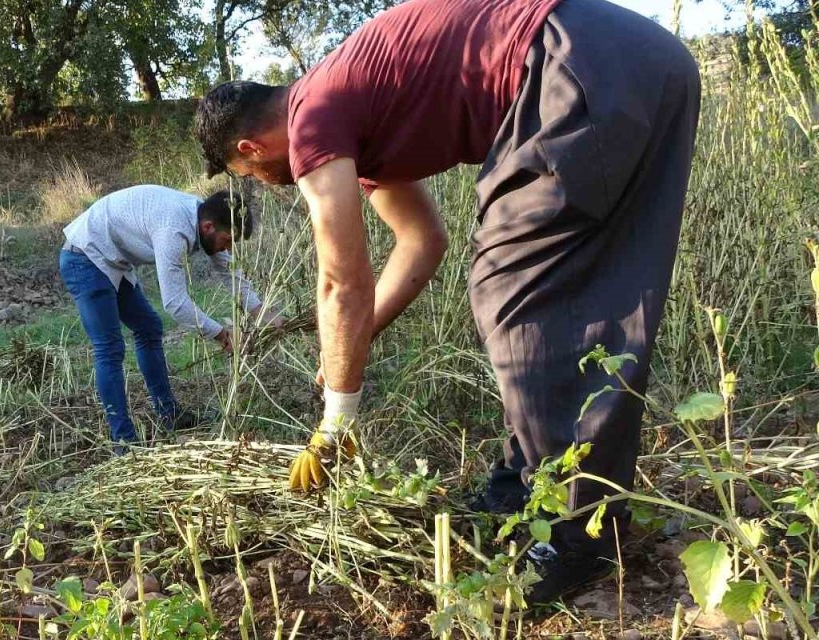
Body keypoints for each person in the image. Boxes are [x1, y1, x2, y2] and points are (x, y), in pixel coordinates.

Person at [194, 0, 700, 605]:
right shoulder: (350, 107)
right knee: (595, 279)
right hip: (643, 62)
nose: (262, 184)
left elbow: (340, 282)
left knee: (513, 282)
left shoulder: (311, 119)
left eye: (248, 176)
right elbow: (420, 241)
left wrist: (336, 418)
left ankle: (576, 534)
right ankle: (526, 489)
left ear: (250, 149)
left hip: (570, 59)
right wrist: (353, 344)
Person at [60, 186, 278, 454]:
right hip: (84, 257)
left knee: (149, 327)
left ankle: (169, 414)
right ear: (209, 227)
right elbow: (175, 303)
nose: (228, 248)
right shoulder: (174, 229)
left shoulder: (205, 219)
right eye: (228, 240)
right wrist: (222, 334)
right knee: (109, 348)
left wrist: (263, 313)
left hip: (112, 260)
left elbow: (230, 273)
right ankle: (124, 442)